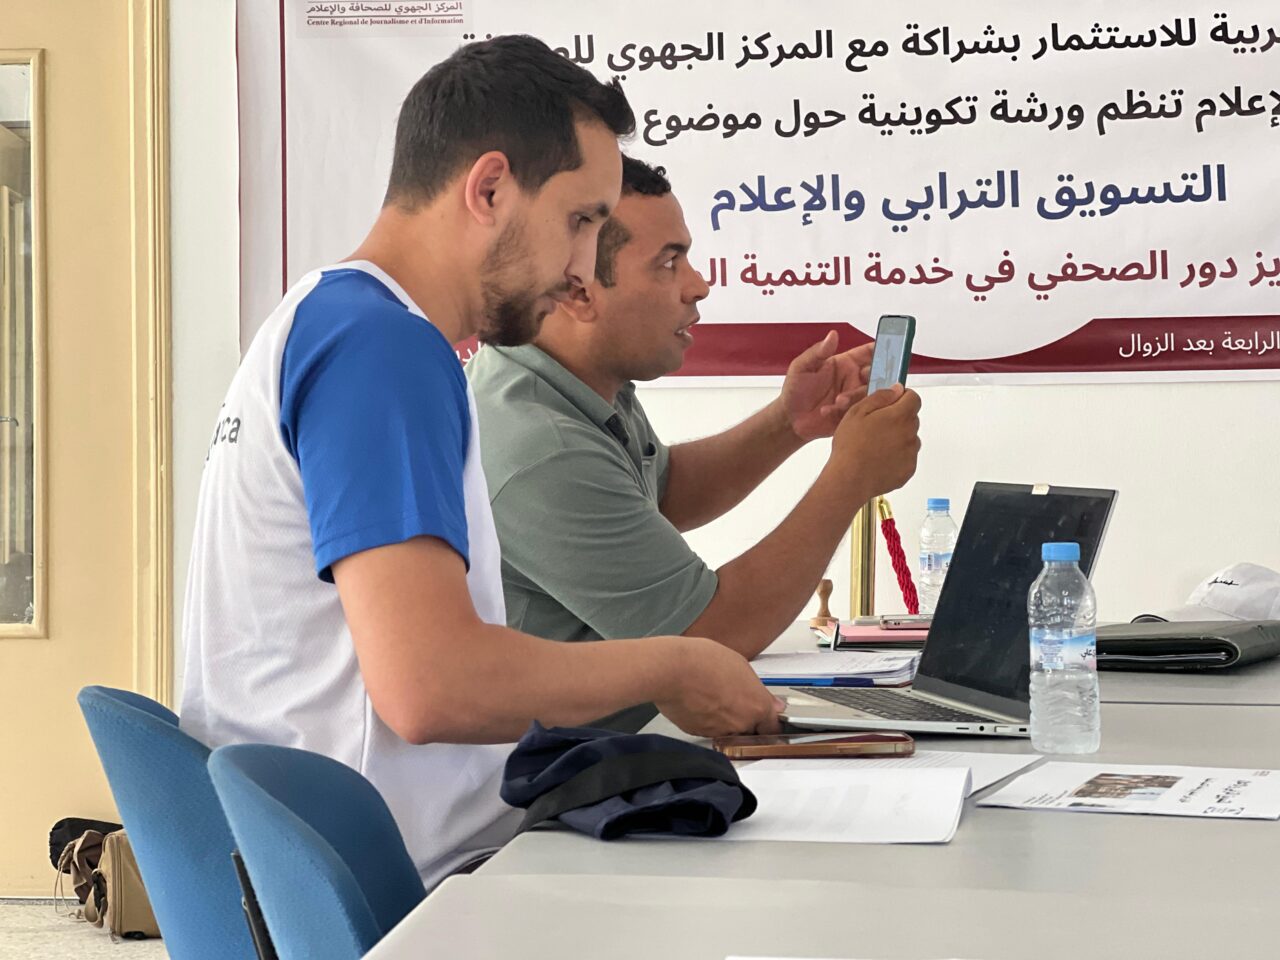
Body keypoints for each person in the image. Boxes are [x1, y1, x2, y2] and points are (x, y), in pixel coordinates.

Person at [179, 37, 783, 889]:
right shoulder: (381, 350)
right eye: (580, 222)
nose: (583, 268)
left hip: (338, 857)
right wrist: (673, 663)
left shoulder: (325, 319)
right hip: (409, 884)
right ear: (490, 188)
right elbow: (431, 686)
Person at [467, 157, 922, 723]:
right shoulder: (540, 445)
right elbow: (708, 636)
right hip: (556, 769)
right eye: (668, 262)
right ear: (578, 289)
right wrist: (850, 478)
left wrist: (790, 423)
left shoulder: (573, 383)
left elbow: (662, 493)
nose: (698, 285)